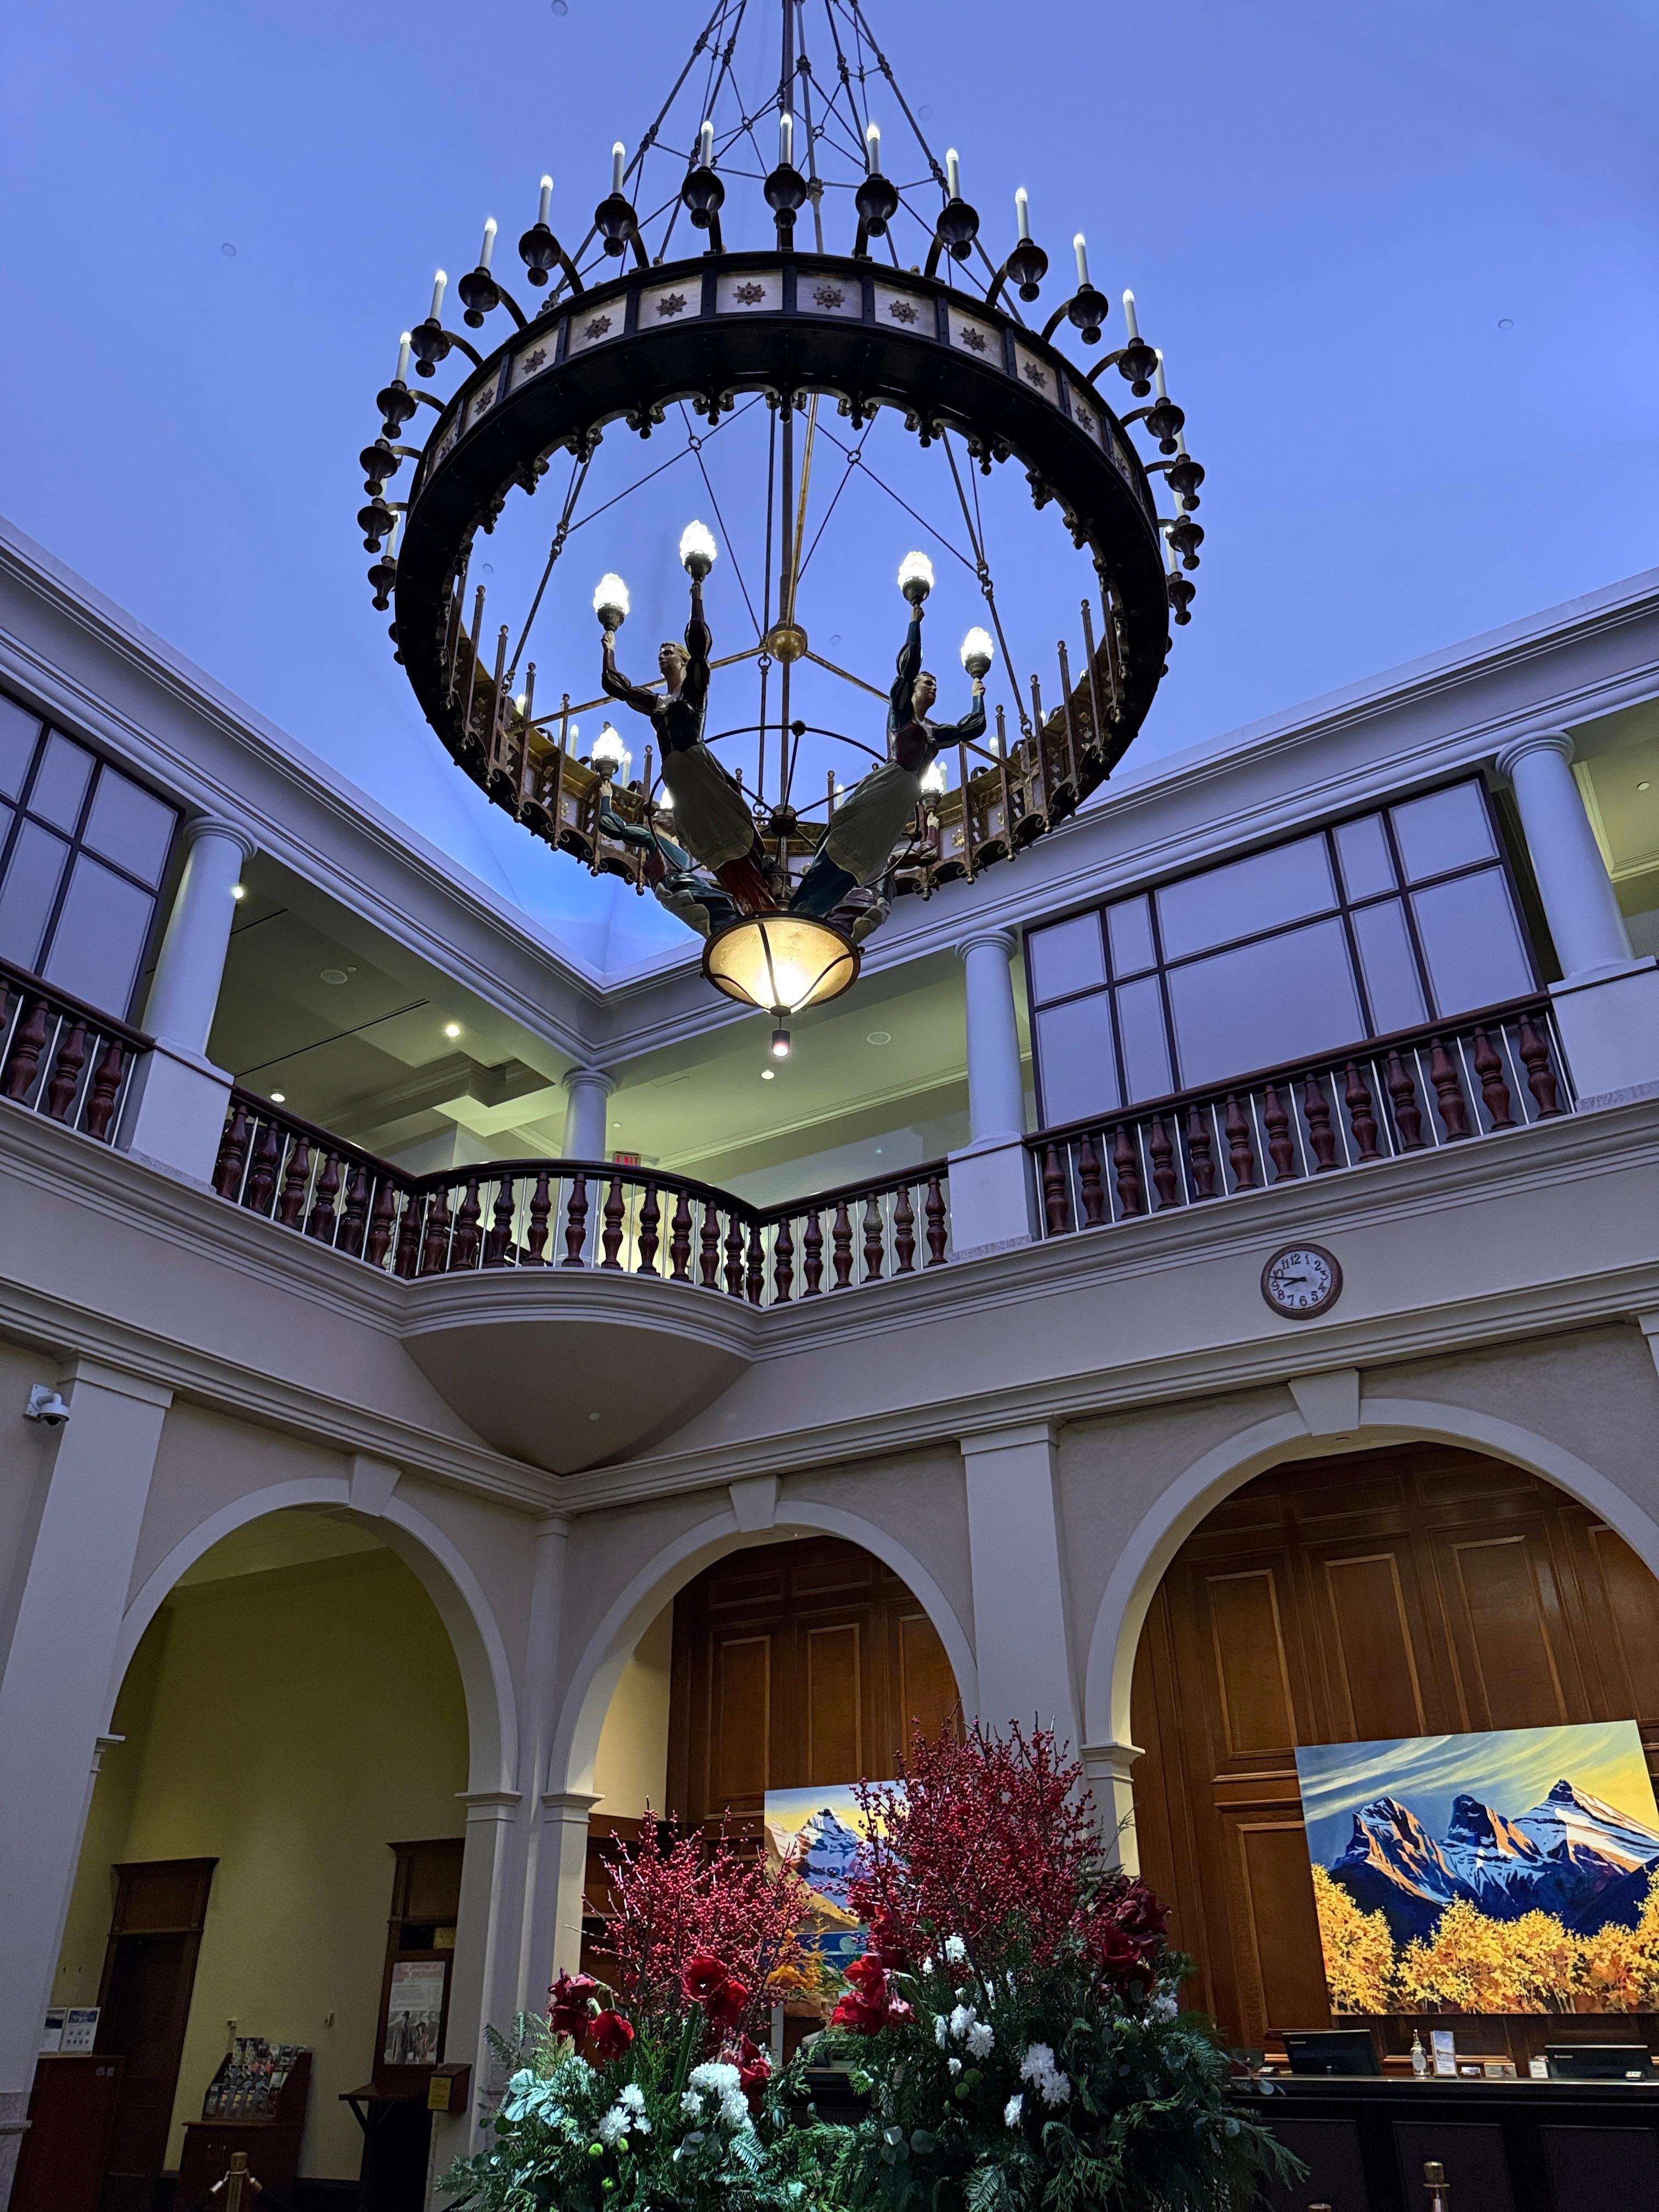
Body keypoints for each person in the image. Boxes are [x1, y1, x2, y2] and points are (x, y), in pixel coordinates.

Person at [791, 597, 984, 916]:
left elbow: (971, 728)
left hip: (904, 798)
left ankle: (827, 899)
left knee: (871, 852)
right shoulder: (900, 715)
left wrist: (978, 693)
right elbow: (906, 670)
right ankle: (811, 892)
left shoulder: (934, 734)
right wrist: (915, 622)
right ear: (913, 690)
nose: (933, 686)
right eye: (927, 682)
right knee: (848, 829)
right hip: (889, 782)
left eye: (936, 683)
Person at [600, 574, 776, 911]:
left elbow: (699, 647)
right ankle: (737, 884)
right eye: (660, 654)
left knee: (728, 815)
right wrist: (609, 648)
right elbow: (616, 686)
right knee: (701, 833)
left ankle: (759, 864)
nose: (662, 657)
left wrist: (698, 597)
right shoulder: (657, 704)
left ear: (681, 660)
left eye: (669, 652)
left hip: (696, 764)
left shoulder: (694, 691)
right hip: (676, 776)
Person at [596, 794, 741, 939]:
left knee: (733, 905)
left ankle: (737, 936)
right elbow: (612, 825)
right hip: (673, 885)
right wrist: (606, 797)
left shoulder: (679, 846)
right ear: (660, 818)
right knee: (724, 905)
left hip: (689, 884)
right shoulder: (651, 836)